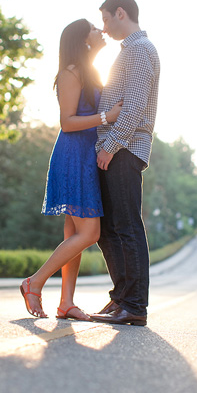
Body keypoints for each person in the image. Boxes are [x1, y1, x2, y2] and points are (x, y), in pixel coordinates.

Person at [20, 19, 122, 320]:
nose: (100, 31)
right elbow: (67, 122)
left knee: (73, 234)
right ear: (83, 39)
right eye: (93, 28)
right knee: (90, 233)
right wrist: (107, 116)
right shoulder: (70, 73)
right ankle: (33, 282)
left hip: (86, 158)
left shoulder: (90, 71)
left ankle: (66, 303)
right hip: (73, 157)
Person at [90, 0, 160, 326]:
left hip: (125, 150)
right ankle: (121, 299)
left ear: (121, 13)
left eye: (105, 19)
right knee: (107, 229)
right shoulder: (130, 52)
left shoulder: (141, 51)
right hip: (116, 148)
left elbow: (133, 107)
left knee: (127, 227)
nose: (104, 27)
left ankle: (134, 305)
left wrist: (111, 145)